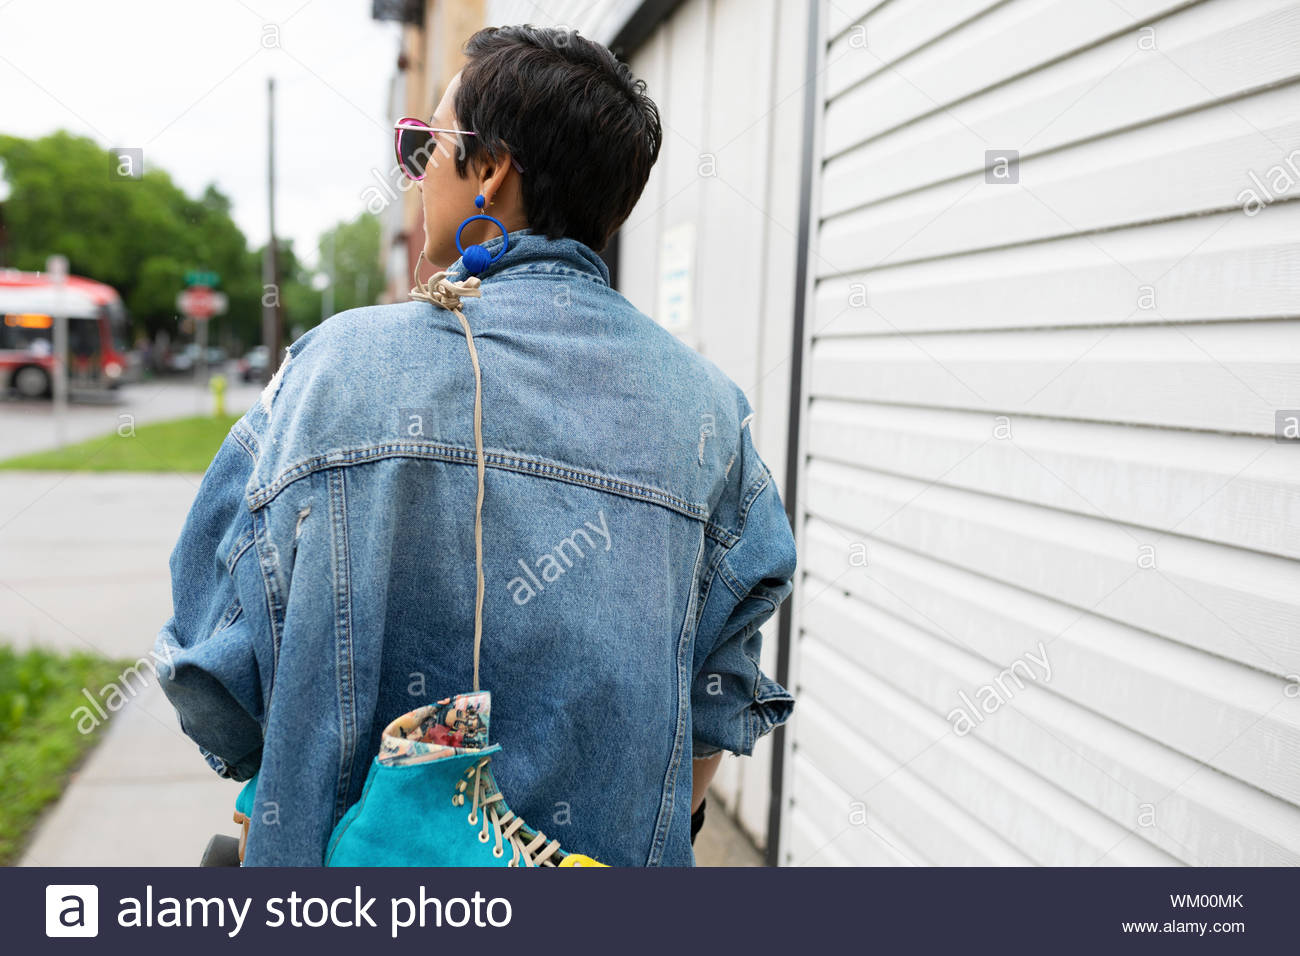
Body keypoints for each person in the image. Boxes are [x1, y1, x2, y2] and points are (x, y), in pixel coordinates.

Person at [155, 24, 795, 867]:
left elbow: (213, 670)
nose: (414, 175)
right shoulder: (710, 417)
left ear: (491, 169)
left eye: (425, 148)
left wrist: (306, 791)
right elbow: (716, 710)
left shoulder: (334, 369)